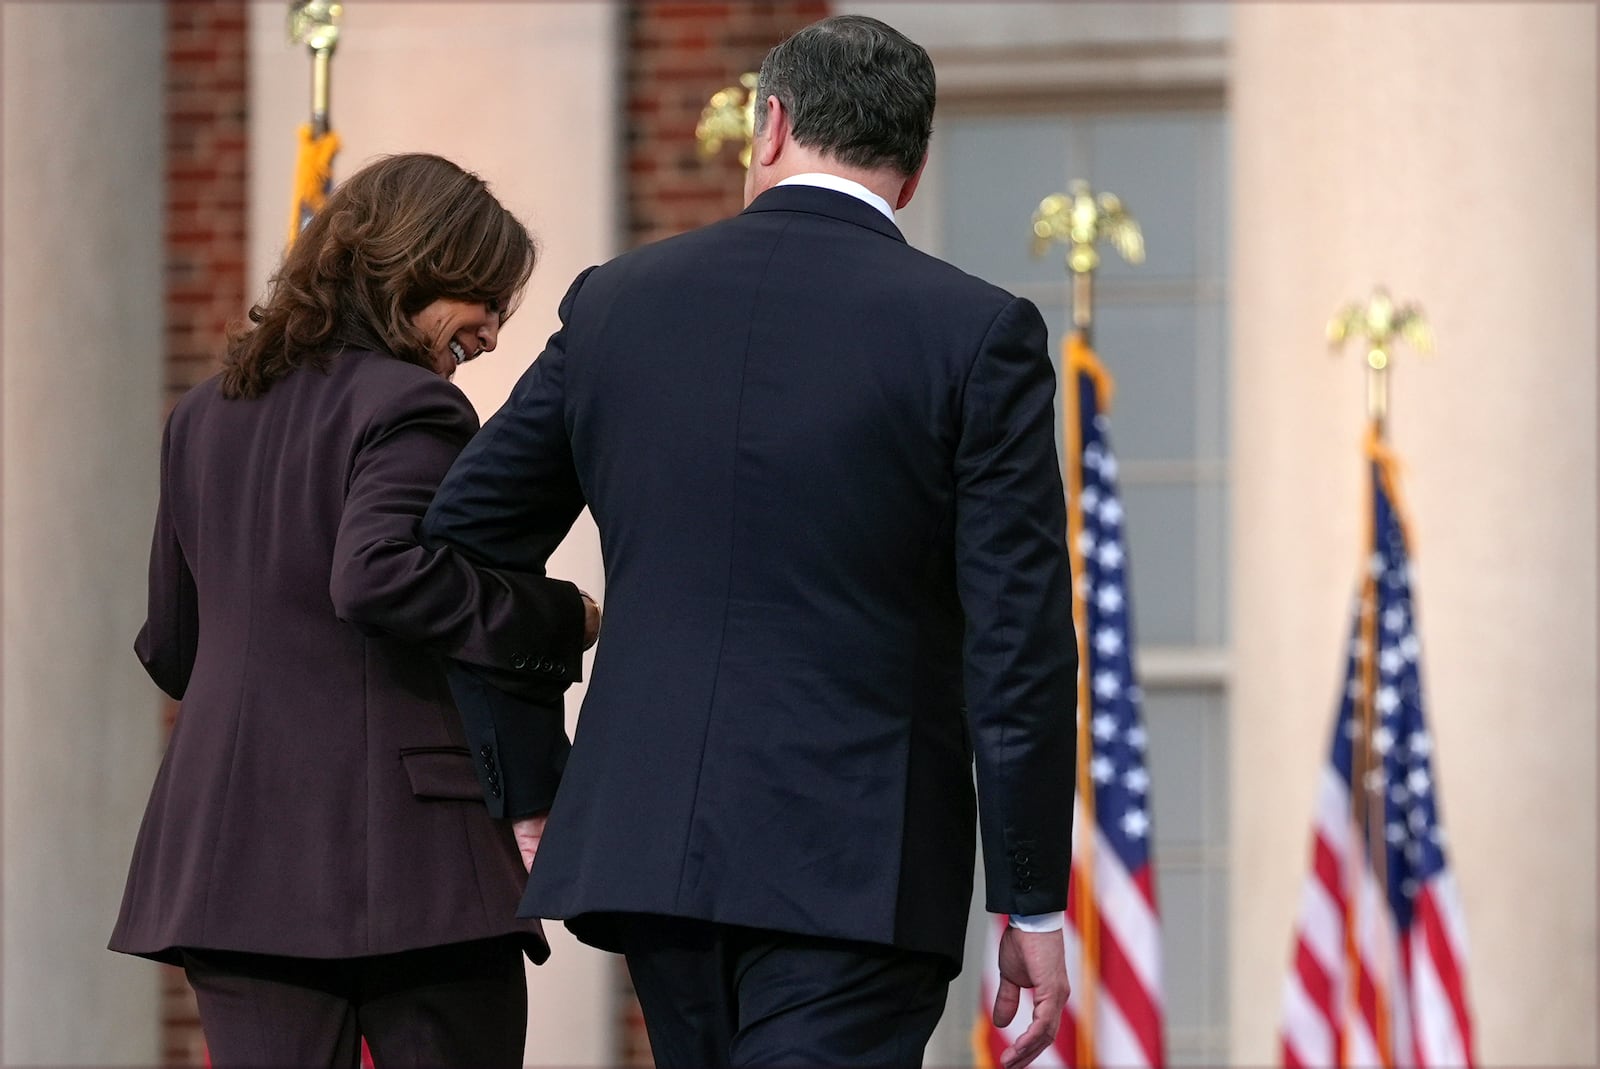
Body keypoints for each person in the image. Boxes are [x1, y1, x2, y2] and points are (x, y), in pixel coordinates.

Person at [424, 14, 1077, 1069]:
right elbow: (1019, 642)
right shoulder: (975, 332)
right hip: (860, 859)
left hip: (651, 847)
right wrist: (1031, 900)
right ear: (909, 171)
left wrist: (536, 780)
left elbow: (462, 543)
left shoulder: (614, 307)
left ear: (767, 128)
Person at [109, 152, 598, 1069]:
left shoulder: (202, 414)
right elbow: (376, 573)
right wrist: (557, 617)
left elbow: (174, 645)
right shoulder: (413, 404)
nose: (492, 334)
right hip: (411, 872)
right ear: (414, 267)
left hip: (229, 862)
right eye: (484, 299)